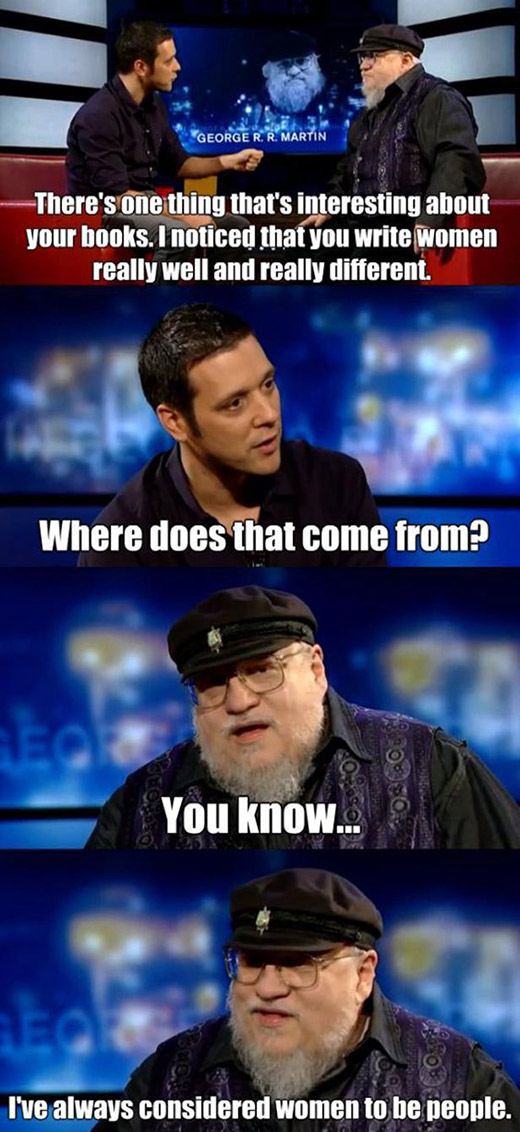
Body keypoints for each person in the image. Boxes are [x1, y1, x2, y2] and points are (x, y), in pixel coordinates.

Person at [85, 586, 520, 849]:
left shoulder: (430, 765)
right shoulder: (139, 806)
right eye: (212, 683)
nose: (238, 701)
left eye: (261, 670)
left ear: (315, 669)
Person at [93, 868, 520, 1131]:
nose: (267, 988)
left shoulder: (461, 1081)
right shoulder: (168, 1077)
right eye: (252, 962)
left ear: (363, 974)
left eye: (298, 964)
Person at [78, 304, 385, 567]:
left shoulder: (338, 484)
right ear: (175, 422)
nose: (269, 414)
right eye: (235, 403)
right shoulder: (121, 543)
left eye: (268, 384)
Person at [66, 21, 263, 269]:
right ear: (141, 67)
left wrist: (229, 161)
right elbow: (117, 197)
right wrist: (183, 214)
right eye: (168, 61)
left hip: (144, 202)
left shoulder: (153, 105)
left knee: (235, 227)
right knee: (179, 234)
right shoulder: (99, 115)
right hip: (103, 211)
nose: (177, 67)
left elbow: (182, 164)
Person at [300, 24, 486, 259]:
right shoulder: (370, 112)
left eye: (373, 56)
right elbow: (347, 171)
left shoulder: (437, 98)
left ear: (406, 61)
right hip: (361, 220)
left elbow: (457, 160)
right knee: (302, 246)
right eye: (362, 57)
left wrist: (430, 217)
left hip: (403, 223)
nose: (363, 65)